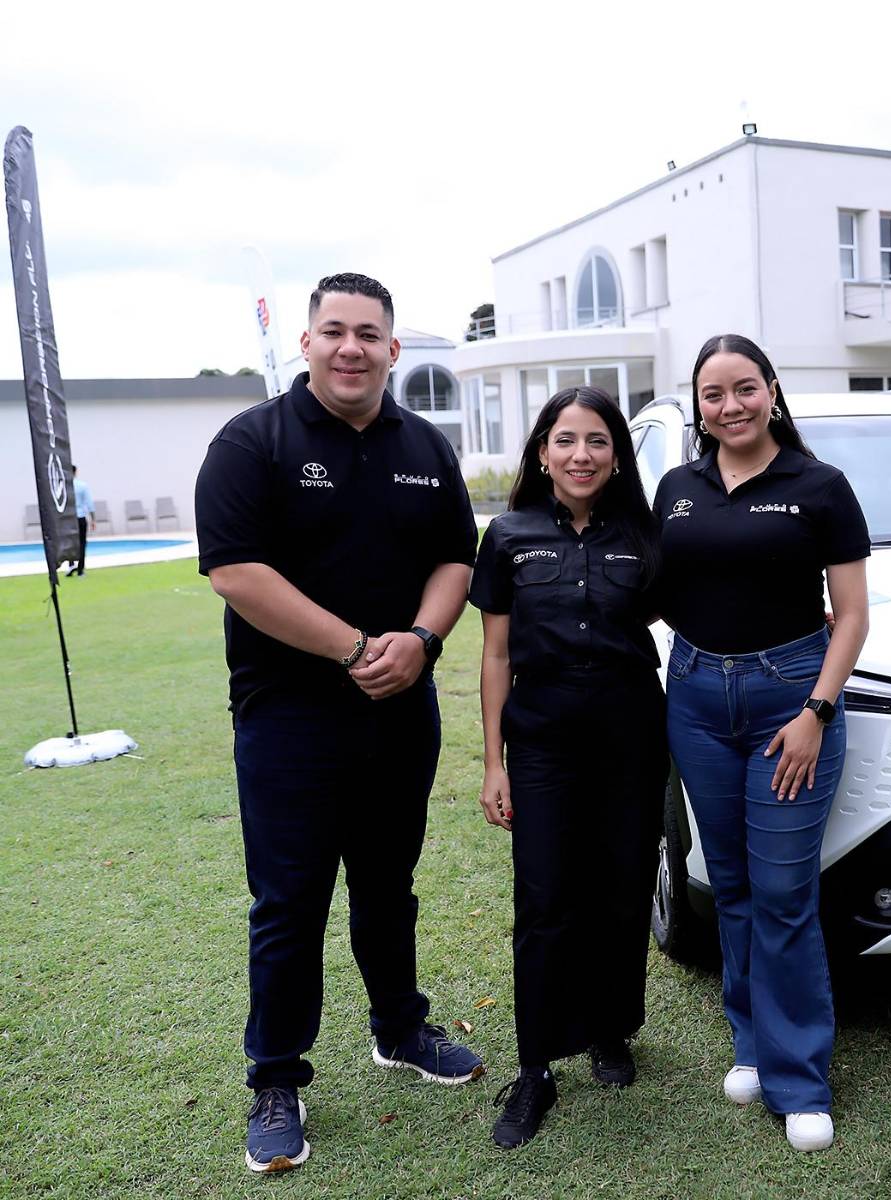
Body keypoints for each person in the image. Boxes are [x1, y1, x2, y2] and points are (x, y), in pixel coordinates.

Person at [194, 273, 484, 1175]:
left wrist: (423, 641)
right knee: (289, 902)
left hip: (403, 708)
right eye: (334, 331)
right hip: (288, 718)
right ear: (306, 344)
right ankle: (276, 1078)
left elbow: (454, 559)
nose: (351, 347)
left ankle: (399, 1029)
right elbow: (236, 572)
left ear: (394, 349)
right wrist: (358, 648)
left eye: (369, 333)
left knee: (388, 885)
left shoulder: (425, 446)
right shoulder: (252, 443)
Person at [651, 334, 870, 1152]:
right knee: (733, 887)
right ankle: (749, 1040)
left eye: (745, 388)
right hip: (699, 698)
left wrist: (816, 708)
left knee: (783, 893)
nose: (730, 406)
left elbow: (849, 615)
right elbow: (649, 585)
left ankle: (799, 1077)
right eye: (713, 394)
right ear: (698, 406)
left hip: (790, 701)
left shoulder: (818, 486)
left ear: (772, 391)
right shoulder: (677, 488)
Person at [469, 386, 667, 1149]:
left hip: (630, 740)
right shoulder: (509, 534)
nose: (579, 455)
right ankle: (534, 1068)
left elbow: (700, 603)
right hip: (542, 745)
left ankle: (610, 1030)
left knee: (620, 894)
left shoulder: (645, 536)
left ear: (616, 455)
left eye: (595, 441)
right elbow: (492, 653)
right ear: (541, 452)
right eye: (564, 440)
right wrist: (494, 762)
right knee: (546, 901)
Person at [64, 464, 94, 576]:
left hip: (68, 518)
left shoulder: (63, 486)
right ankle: (80, 570)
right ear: (76, 472)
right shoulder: (82, 486)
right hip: (80, 517)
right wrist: (93, 519)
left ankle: (71, 564)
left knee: (69, 543)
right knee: (82, 543)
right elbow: (89, 503)